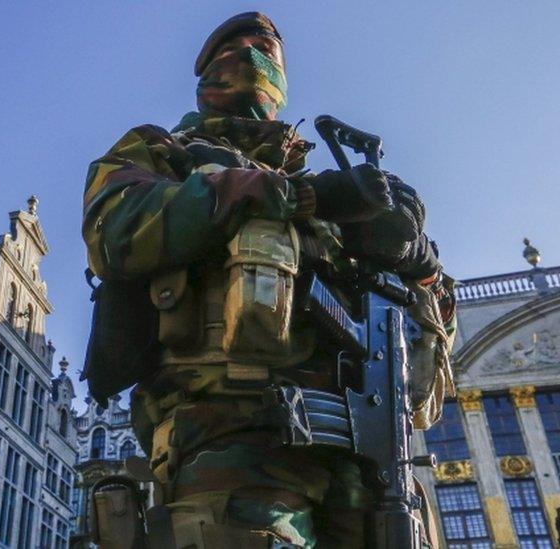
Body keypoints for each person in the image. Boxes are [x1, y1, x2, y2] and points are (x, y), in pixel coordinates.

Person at [81, 11, 456, 548]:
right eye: (239, 49)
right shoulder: (164, 151)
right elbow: (116, 229)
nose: (257, 57)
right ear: (207, 76)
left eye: (269, 52)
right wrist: (300, 197)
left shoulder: (340, 197)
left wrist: (420, 266)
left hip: (371, 468)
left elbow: (428, 361)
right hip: (230, 441)